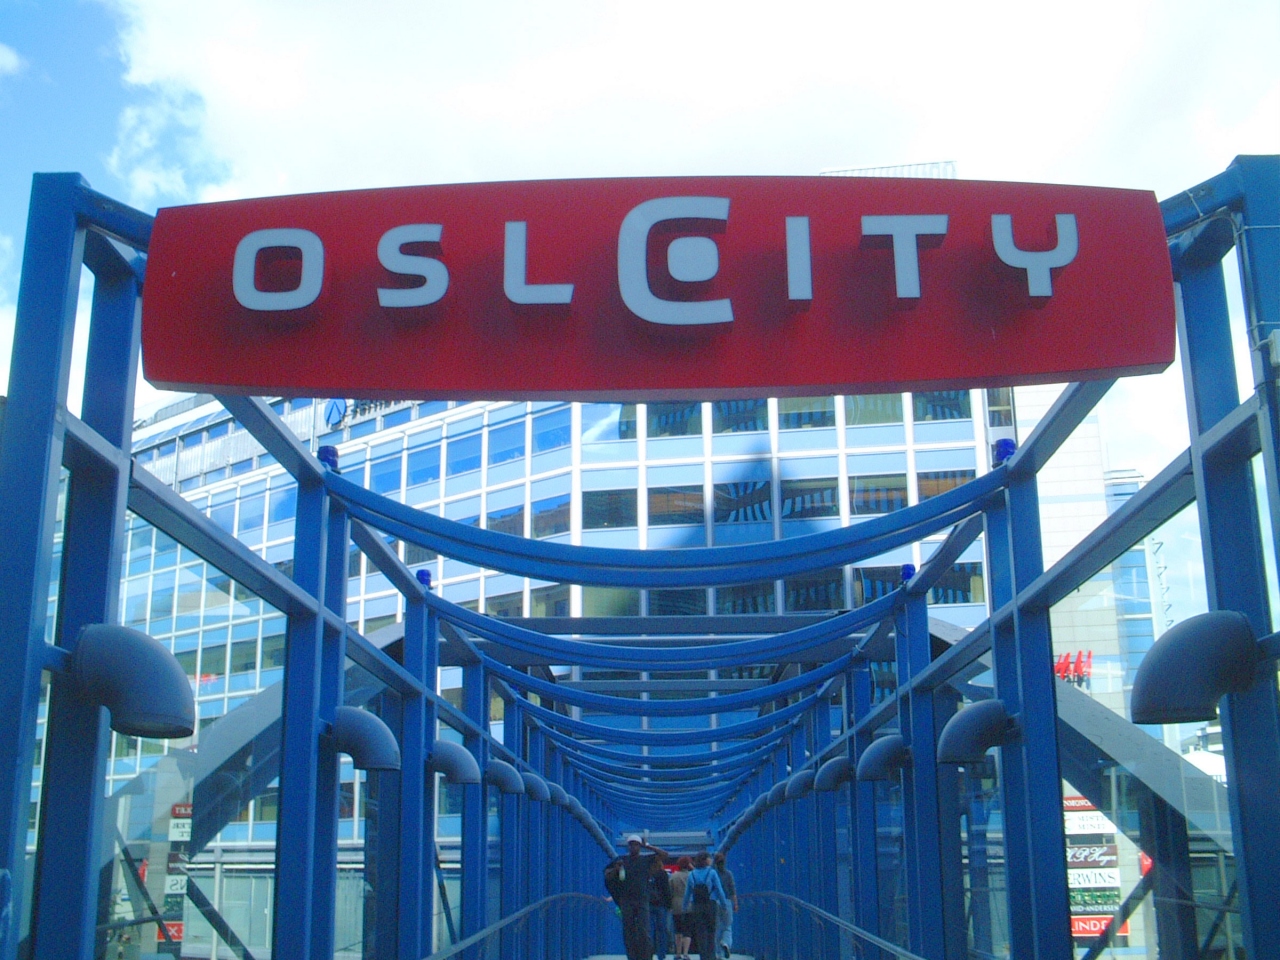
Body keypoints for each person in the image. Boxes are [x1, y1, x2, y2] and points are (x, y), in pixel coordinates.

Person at [603, 834, 669, 960]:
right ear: (628, 846)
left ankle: (646, 957)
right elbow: (607, 875)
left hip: (642, 900)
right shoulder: (621, 860)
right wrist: (616, 869)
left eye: (636, 845)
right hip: (626, 900)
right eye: (631, 844)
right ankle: (632, 957)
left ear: (640, 846)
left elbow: (665, 855)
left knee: (644, 931)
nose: (633, 847)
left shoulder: (646, 860)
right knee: (628, 931)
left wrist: (648, 846)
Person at [682, 852, 729, 960]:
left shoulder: (692, 874)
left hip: (697, 905)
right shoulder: (712, 873)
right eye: (709, 858)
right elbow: (719, 890)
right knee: (711, 931)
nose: (711, 860)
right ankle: (711, 956)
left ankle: (703, 956)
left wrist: (684, 907)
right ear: (705, 860)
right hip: (710, 904)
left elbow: (687, 893)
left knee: (700, 932)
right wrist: (724, 905)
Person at [648, 853, 673, 960]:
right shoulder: (663, 874)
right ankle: (661, 955)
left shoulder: (648, 874)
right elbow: (667, 890)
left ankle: (648, 954)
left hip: (649, 905)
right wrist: (669, 905)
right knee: (662, 931)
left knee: (649, 931)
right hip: (661, 905)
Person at [713, 851, 738, 959]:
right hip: (727, 902)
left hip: (715, 902)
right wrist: (735, 904)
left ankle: (717, 953)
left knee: (717, 927)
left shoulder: (713, 874)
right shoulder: (729, 874)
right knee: (727, 926)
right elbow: (732, 891)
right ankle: (726, 942)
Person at [669, 856, 694, 960]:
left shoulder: (673, 876)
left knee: (677, 930)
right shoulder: (691, 876)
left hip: (676, 905)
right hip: (688, 905)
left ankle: (678, 953)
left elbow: (670, 891)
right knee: (687, 930)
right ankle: (686, 953)